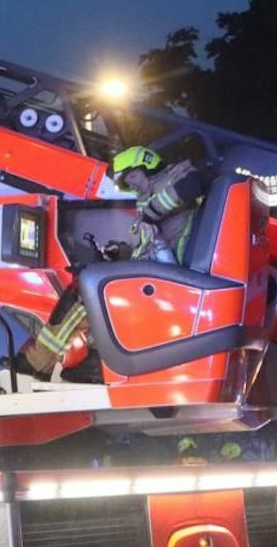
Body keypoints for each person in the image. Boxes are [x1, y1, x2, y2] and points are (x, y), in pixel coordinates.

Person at [17, 146, 208, 381]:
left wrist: (149, 214)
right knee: (87, 290)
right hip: (159, 270)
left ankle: (42, 363)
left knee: (86, 295)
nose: (132, 186)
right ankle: (94, 361)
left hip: (167, 275)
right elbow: (148, 244)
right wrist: (120, 253)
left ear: (145, 165)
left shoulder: (176, 175)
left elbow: (194, 184)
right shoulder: (151, 194)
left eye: (131, 178)